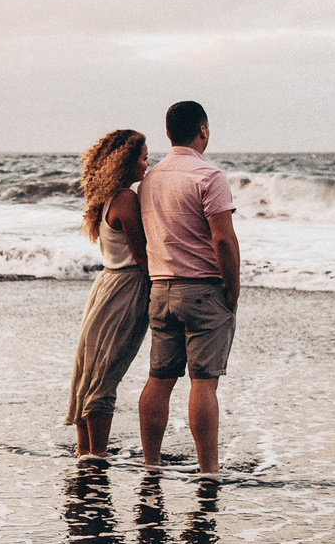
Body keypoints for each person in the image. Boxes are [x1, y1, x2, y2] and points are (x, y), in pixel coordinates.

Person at [136, 100, 239, 474]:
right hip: (202, 289)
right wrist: (233, 288)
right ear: (204, 130)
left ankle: (151, 462)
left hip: (161, 289)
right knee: (203, 383)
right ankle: (208, 469)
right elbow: (223, 240)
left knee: (159, 379)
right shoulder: (209, 176)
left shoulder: (150, 179)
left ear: (167, 133)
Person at [63, 128, 150, 457]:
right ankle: (96, 456)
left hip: (106, 284)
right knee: (105, 375)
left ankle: (84, 451)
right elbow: (142, 257)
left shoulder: (103, 199)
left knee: (90, 372)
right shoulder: (126, 199)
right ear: (126, 161)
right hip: (126, 287)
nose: (147, 163)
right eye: (143, 156)